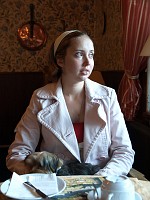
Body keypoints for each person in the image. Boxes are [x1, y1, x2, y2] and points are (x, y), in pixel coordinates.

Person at [6, 30, 135, 177]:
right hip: (56, 186)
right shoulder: (41, 98)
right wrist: (36, 170)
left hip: (102, 185)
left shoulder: (108, 96)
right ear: (60, 60)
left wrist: (101, 178)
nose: (88, 62)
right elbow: (17, 153)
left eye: (91, 54)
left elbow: (124, 151)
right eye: (79, 54)